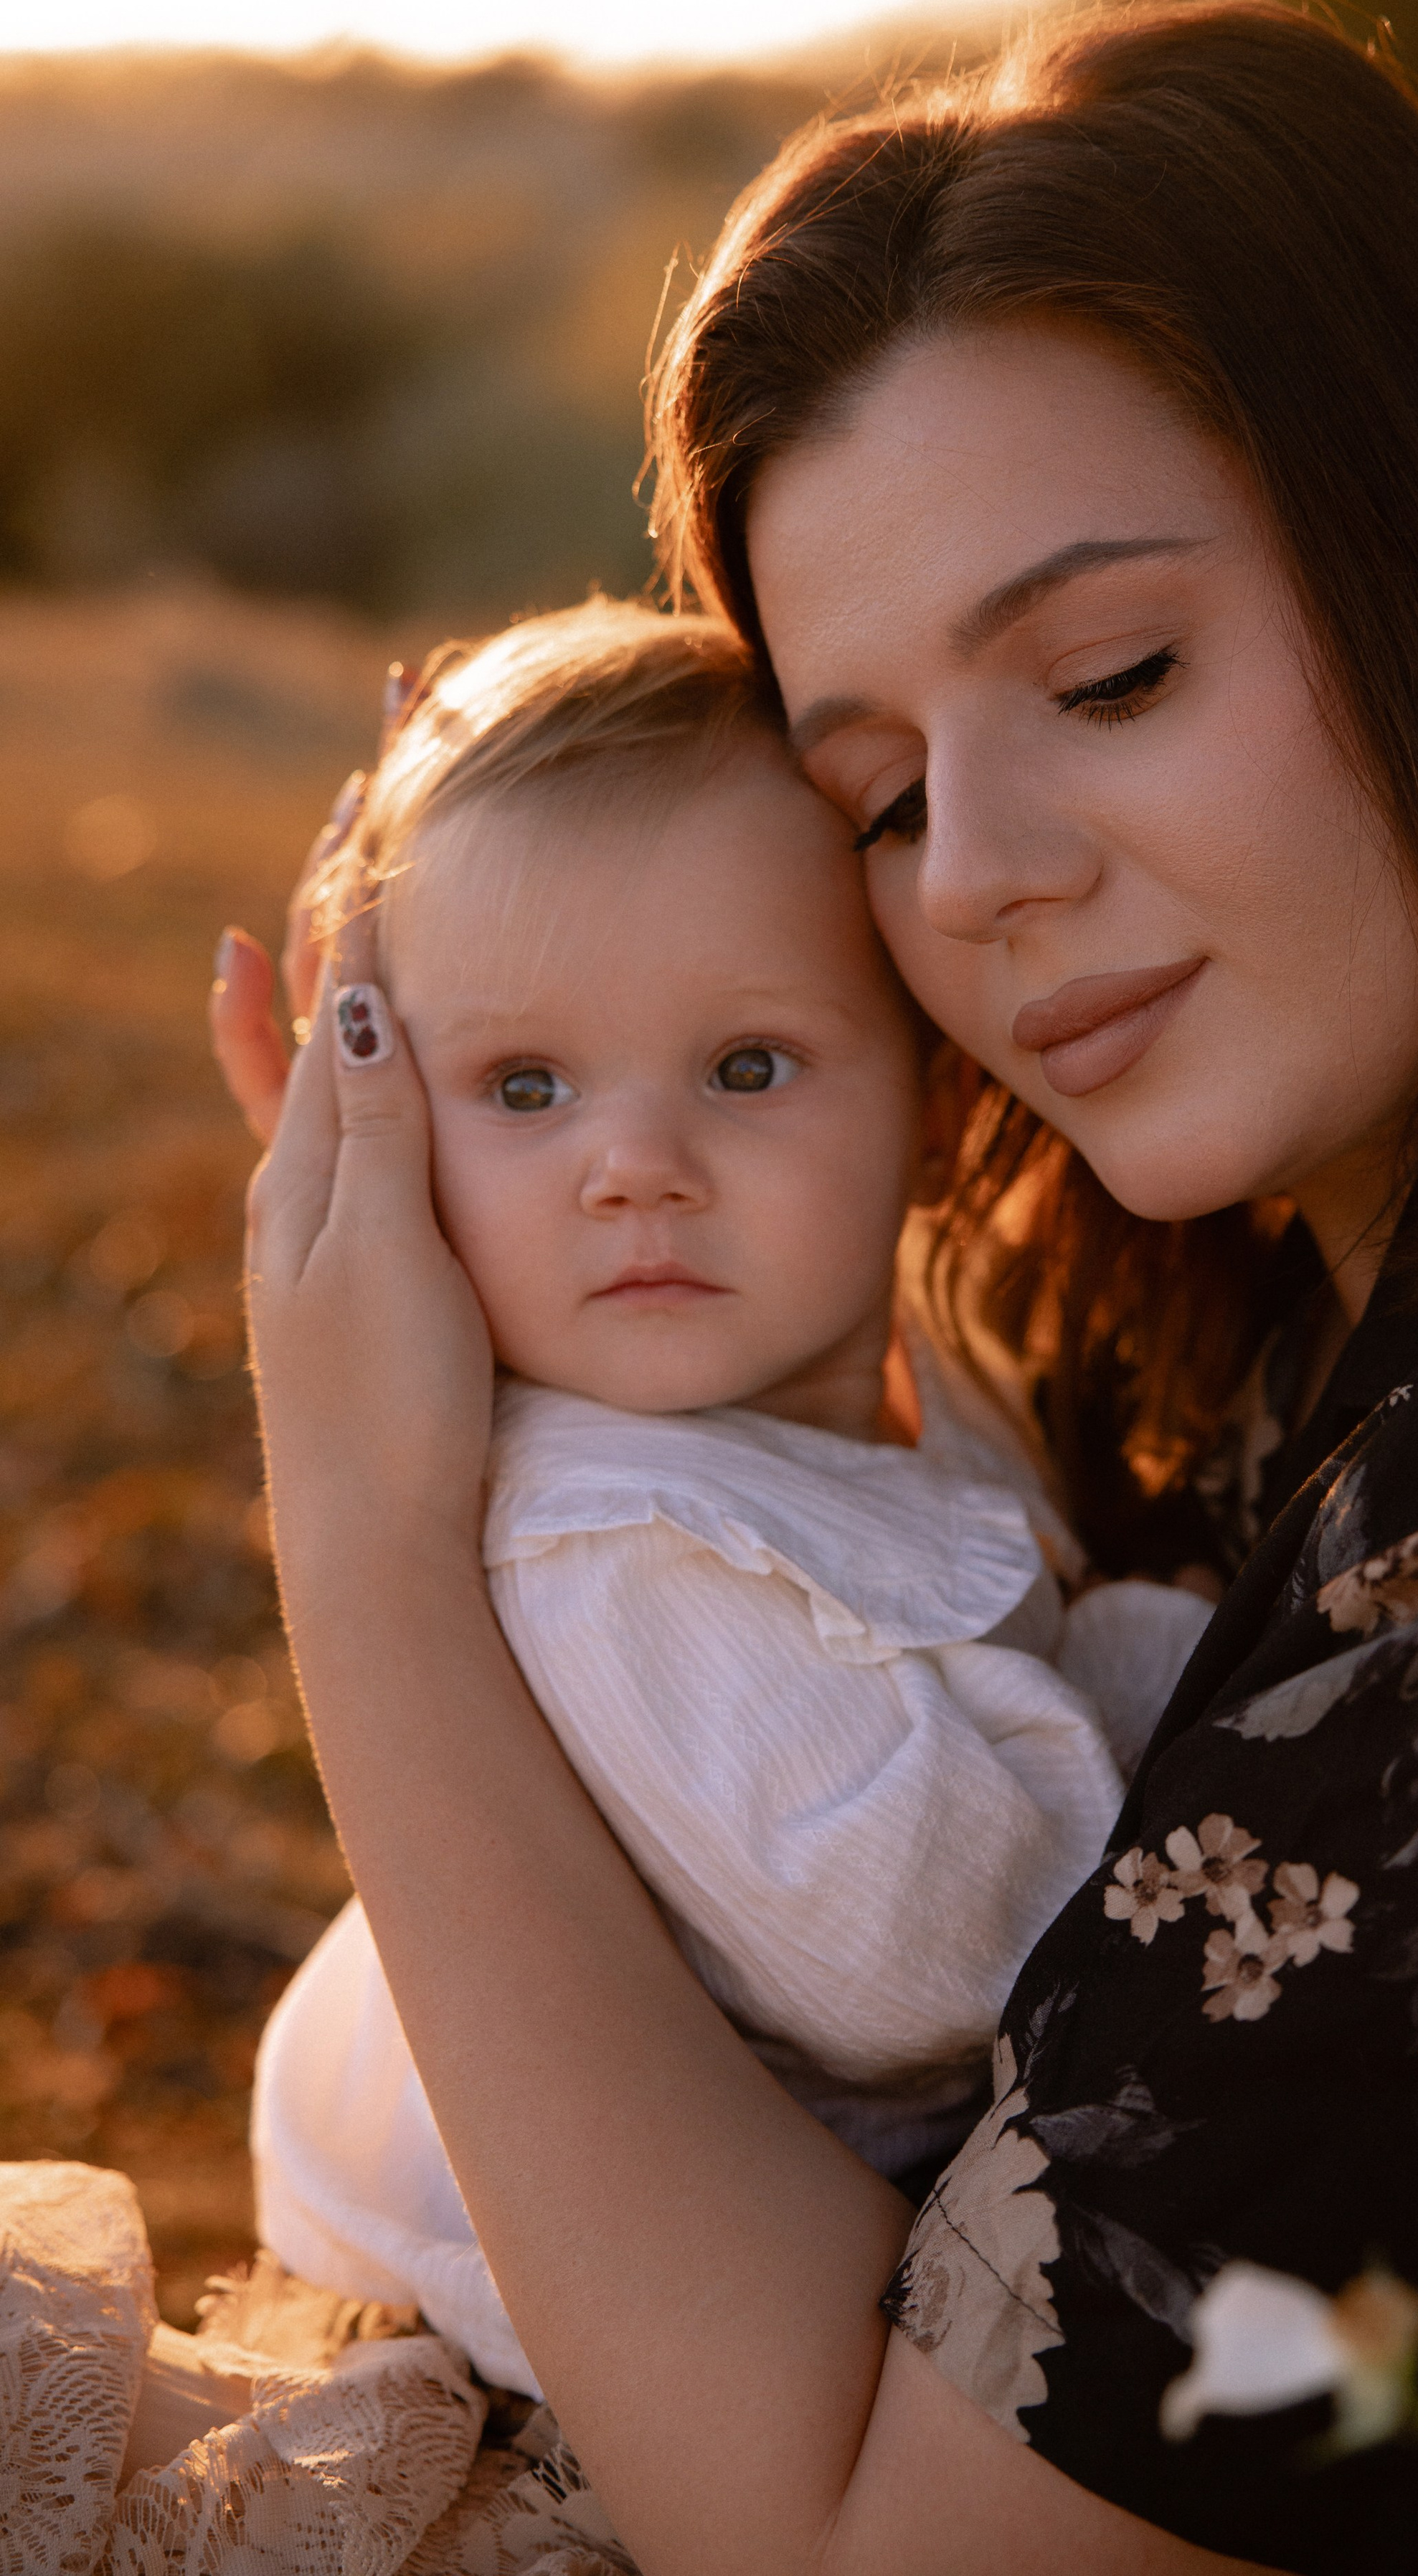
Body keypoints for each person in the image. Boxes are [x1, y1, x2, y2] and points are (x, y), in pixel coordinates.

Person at [213, 0, 1418, 2576]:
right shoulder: (1287, 1276)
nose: (973, 869)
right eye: (870, 794)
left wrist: (378, 1542)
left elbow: (883, 2551)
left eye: (1112, 676)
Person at [247, 595, 1208, 2402]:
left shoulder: (867, 1373)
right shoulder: (620, 1547)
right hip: (570, 2352)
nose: (633, 1168)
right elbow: (943, 1951)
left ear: (931, 1108)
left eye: (747, 1065)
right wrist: (1203, 1685)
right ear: (387, 1122)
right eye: (520, 1084)